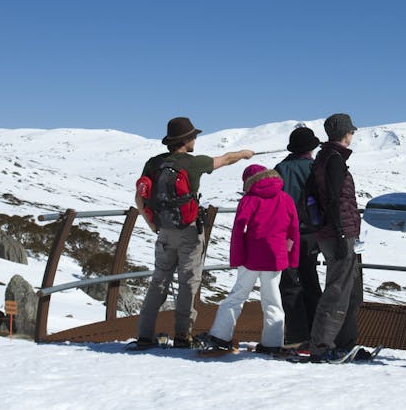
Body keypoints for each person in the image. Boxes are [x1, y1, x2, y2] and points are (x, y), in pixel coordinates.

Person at [133, 117, 254, 349]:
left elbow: (140, 196)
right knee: (188, 282)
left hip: (164, 231)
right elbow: (226, 159)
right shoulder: (193, 163)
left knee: (159, 281)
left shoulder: (153, 163)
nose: (196, 139)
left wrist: (153, 225)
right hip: (189, 231)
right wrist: (243, 153)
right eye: (193, 137)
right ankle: (182, 336)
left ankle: (144, 335)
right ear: (186, 140)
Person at [203, 164, 300, 352]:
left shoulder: (249, 199)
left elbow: (239, 230)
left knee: (237, 296)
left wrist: (237, 257)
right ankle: (272, 343)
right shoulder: (286, 198)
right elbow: (293, 231)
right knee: (272, 299)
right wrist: (292, 259)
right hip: (275, 257)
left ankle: (220, 336)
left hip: (251, 257)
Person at [308, 113, 365, 362]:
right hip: (338, 233)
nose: (352, 135)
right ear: (345, 134)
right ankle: (321, 346)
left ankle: (342, 343)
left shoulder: (324, 157)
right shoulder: (333, 160)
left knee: (350, 291)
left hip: (334, 232)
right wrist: (341, 233)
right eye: (351, 132)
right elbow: (333, 199)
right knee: (337, 290)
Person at [274, 126, 323, 348]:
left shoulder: (280, 169)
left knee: (290, 284)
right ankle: (317, 333)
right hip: (311, 233)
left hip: (285, 236)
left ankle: (296, 335)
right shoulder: (315, 168)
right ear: (311, 148)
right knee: (311, 280)